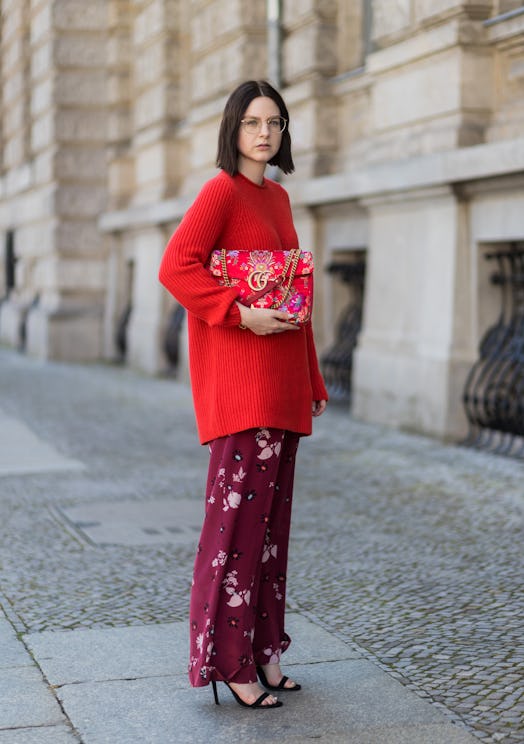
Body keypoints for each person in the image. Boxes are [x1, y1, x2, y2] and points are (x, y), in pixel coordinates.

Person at [158, 80, 328, 710]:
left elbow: (296, 298)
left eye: (275, 122)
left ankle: (264, 651)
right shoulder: (220, 192)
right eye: (254, 121)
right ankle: (231, 663)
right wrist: (237, 313)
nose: (265, 132)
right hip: (242, 387)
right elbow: (176, 266)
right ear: (233, 128)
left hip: (282, 385)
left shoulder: (279, 200)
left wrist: (310, 380)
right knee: (234, 529)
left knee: (270, 533)